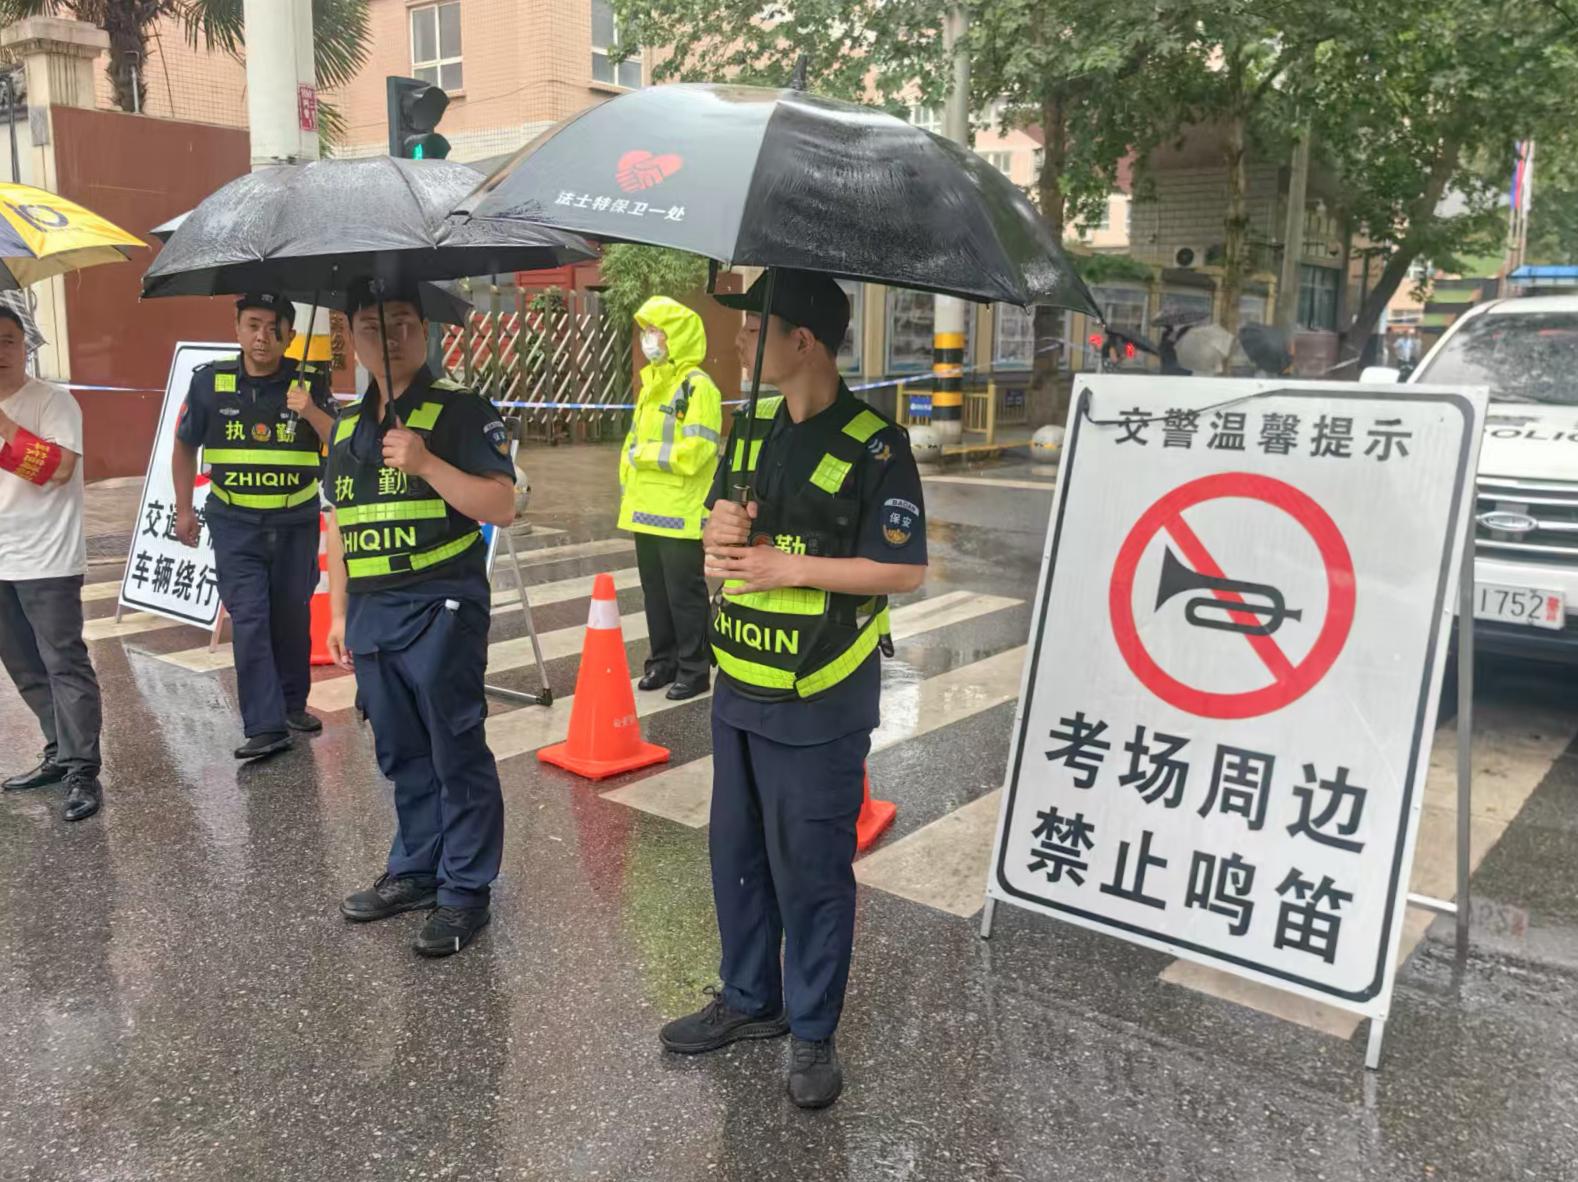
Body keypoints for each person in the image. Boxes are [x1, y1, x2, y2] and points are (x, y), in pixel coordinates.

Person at [659, 270, 928, 1109]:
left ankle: (812, 1031)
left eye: (754, 330)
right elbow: (717, 558)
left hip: (823, 693)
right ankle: (750, 999)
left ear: (802, 339)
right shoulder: (748, 430)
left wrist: (791, 566)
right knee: (736, 855)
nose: (739, 342)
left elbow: (904, 569)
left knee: (809, 869)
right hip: (741, 677)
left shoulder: (876, 445)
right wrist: (716, 535)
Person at [324, 278, 515, 958]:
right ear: (353, 337)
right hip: (374, 613)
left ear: (426, 330)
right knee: (402, 752)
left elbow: (501, 506)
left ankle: (465, 890)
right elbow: (341, 524)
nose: (391, 336)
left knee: (455, 749)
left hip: (442, 605)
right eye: (374, 326)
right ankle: (416, 868)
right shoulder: (347, 424)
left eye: (405, 322)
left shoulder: (461, 410)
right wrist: (338, 613)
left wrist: (428, 463)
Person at [173, 292, 337, 760]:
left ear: (290, 334)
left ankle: (291, 705)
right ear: (238, 329)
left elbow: (340, 440)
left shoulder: (310, 380)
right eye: (253, 325)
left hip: (295, 520)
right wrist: (184, 510)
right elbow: (184, 445)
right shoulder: (210, 381)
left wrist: (310, 410)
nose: (262, 336)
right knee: (249, 617)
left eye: (272, 327)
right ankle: (265, 726)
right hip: (235, 522)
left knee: (291, 615)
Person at [0, 306, 103, 821]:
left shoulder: (53, 401)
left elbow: (59, 468)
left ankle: (83, 769)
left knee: (63, 662)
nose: (0, 351)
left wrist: (2, 423)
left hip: (46, 558)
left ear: (25, 346)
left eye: (7, 340)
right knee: (23, 666)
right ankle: (59, 750)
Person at [618, 296, 723, 700]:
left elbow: (697, 452)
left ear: (675, 335)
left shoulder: (698, 387)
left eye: (655, 331)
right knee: (656, 595)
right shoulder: (652, 383)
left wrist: (643, 457)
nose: (648, 338)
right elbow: (631, 445)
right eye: (646, 331)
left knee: (684, 595)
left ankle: (694, 669)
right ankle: (662, 663)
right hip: (644, 508)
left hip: (678, 511)